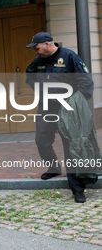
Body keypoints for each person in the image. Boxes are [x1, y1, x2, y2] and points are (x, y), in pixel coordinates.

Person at [25, 32, 94, 203]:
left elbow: (86, 82)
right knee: (41, 140)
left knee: (70, 147)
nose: (35, 51)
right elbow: (29, 76)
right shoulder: (38, 61)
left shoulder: (69, 57)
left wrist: (75, 102)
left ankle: (77, 188)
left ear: (47, 44)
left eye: (37, 48)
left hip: (67, 109)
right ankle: (54, 167)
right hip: (47, 107)